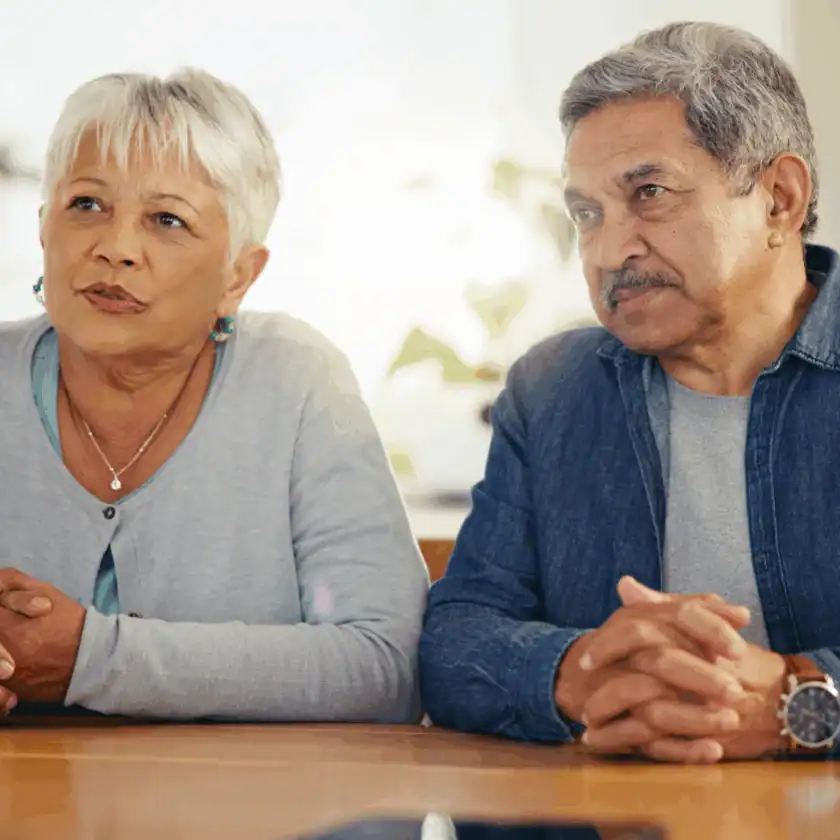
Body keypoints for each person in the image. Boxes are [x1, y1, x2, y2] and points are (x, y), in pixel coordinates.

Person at [419, 21, 840, 762]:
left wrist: (796, 700)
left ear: (779, 197)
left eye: (649, 193)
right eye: (588, 214)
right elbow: (454, 639)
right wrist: (578, 673)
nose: (612, 250)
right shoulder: (550, 391)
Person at [0, 68, 428, 722]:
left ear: (239, 274)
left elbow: (388, 665)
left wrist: (92, 657)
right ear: (42, 228)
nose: (115, 249)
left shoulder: (297, 381)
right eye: (86, 205)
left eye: (167, 220)